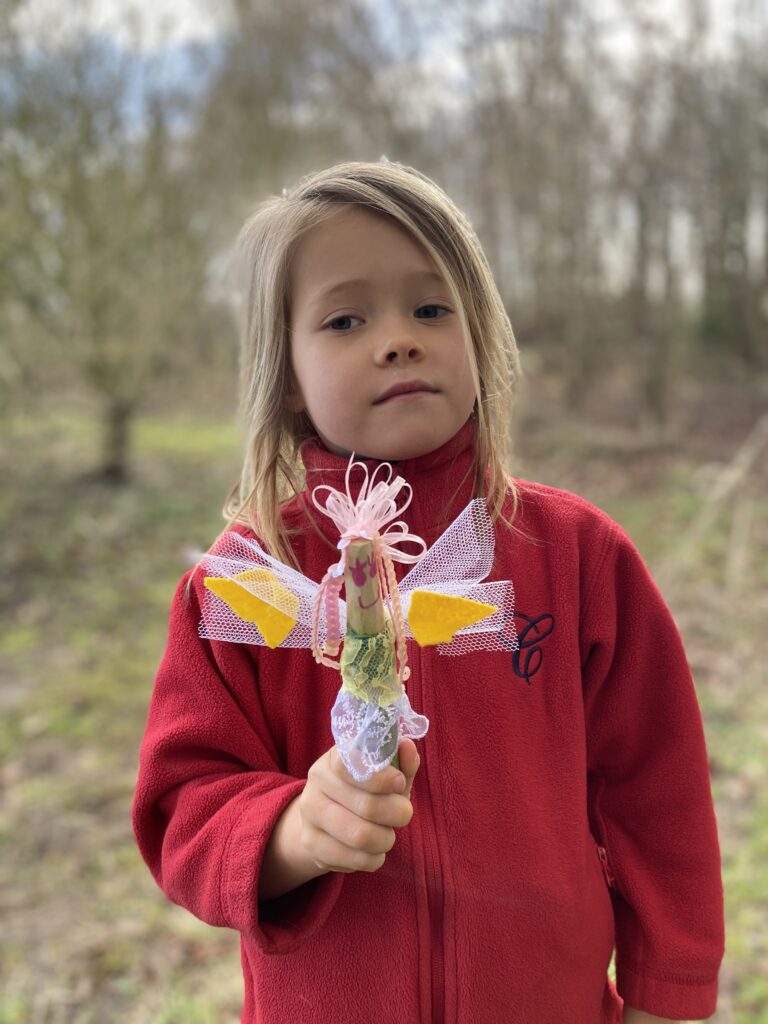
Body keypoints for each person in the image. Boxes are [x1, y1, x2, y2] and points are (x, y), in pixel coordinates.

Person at [131, 160, 724, 1024]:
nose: (399, 338)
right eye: (345, 318)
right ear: (288, 375)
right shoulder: (247, 586)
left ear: (481, 338)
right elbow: (182, 804)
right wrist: (291, 832)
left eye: (432, 308)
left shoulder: (576, 557)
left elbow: (656, 788)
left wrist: (667, 994)